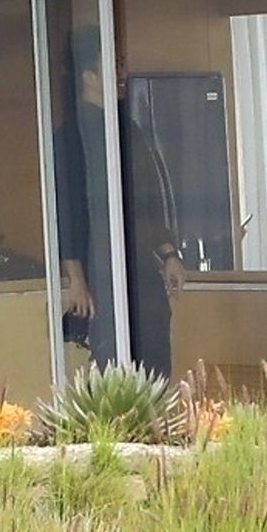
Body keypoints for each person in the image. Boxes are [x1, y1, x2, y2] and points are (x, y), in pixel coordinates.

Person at [52, 26, 184, 378]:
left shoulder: (128, 129)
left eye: (120, 63)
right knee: (114, 363)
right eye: (111, 64)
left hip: (139, 265)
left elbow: (148, 200)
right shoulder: (72, 135)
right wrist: (76, 278)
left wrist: (169, 253)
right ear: (89, 76)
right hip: (101, 266)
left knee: (156, 356)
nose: (121, 72)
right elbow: (67, 209)